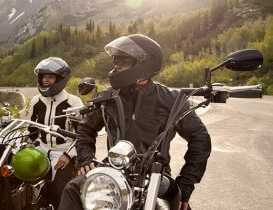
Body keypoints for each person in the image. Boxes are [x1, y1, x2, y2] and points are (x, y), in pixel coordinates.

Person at [58, 34, 211, 210]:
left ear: (143, 63)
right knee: (73, 189)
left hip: (156, 174)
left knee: (176, 203)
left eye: (123, 62)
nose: (116, 67)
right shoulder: (108, 98)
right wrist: (86, 159)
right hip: (113, 169)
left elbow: (200, 138)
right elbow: (85, 129)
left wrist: (186, 183)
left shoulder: (172, 100)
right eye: (116, 61)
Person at [26, 57, 83, 209]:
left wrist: (68, 155)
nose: (45, 80)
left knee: (59, 191)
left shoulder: (74, 102)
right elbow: (30, 129)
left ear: (60, 79)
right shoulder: (36, 101)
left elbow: (83, 136)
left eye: (50, 77)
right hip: (42, 148)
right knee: (23, 178)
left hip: (63, 151)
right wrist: (26, 145)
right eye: (44, 77)